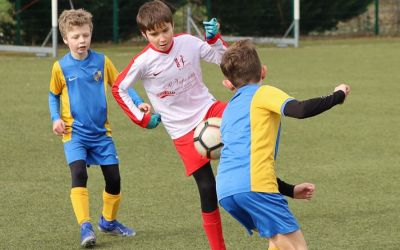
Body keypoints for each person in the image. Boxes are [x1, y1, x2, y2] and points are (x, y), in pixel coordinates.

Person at [112, 1, 314, 249]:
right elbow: (119, 87)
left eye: (165, 30)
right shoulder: (143, 62)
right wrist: (142, 118)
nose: (162, 38)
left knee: (252, 145)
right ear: (144, 34)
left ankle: (271, 196)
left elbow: (226, 61)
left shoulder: (188, 42)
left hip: (210, 110)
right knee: (208, 188)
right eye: (154, 34)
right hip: (182, 130)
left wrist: (214, 39)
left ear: (172, 26)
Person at [217, 39, 350, 250]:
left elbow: (246, 162)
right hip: (254, 187)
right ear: (263, 71)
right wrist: (337, 96)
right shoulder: (262, 92)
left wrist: (289, 190)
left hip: (226, 190)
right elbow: (301, 110)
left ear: (229, 83)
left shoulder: (228, 110)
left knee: (277, 244)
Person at [48, 9, 160, 248]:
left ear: (91, 34)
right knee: (79, 174)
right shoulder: (61, 67)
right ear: (66, 39)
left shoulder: (101, 61)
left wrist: (138, 101)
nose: (82, 41)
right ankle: (85, 226)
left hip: (101, 134)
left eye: (85, 35)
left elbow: (122, 84)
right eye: (76, 36)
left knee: (114, 179)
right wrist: (55, 117)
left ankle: (108, 221)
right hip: (74, 132)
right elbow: (53, 94)